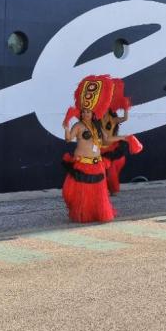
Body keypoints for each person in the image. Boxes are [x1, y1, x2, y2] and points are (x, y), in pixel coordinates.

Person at [62, 75, 136, 223]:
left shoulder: (97, 127)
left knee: (97, 195)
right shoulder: (78, 126)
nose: (85, 114)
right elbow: (69, 139)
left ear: (93, 113)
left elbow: (106, 140)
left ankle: (94, 214)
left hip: (96, 164)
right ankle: (82, 214)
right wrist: (66, 126)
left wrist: (122, 137)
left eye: (88, 112)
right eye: (83, 112)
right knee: (74, 194)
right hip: (82, 164)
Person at [100, 78, 143, 196]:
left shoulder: (113, 119)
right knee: (103, 170)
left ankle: (112, 189)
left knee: (113, 168)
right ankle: (104, 189)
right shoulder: (97, 121)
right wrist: (122, 137)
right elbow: (104, 139)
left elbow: (124, 118)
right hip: (101, 148)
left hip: (112, 147)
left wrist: (125, 107)